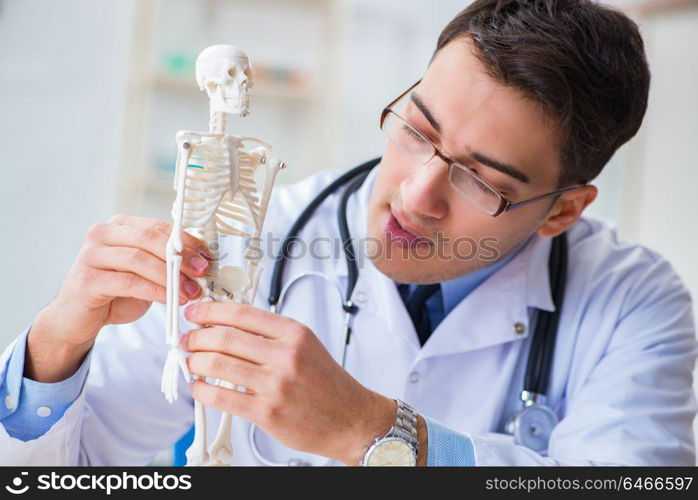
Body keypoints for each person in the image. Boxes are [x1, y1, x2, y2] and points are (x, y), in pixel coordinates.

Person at [1, 0, 696, 466]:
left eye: (484, 181)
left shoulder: (636, 303)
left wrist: (371, 430)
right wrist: (56, 346)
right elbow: (75, 461)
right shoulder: (251, 241)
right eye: (418, 130)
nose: (416, 196)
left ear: (562, 210)